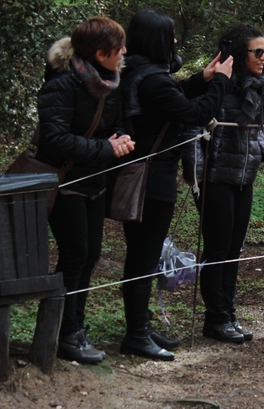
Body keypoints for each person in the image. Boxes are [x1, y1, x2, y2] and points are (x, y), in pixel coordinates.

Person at [118, 9, 233, 360]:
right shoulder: (153, 80)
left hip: (148, 173)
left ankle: (141, 325)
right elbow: (194, 114)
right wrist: (222, 83)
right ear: (156, 41)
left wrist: (203, 77)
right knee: (143, 256)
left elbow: (175, 97)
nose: (175, 41)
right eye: (170, 36)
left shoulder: (139, 74)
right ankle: (136, 333)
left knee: (143, 254)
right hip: (153, 179)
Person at [37, 17, 135, 364]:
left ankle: (74, 327)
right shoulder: (62, 85)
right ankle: (63, 333)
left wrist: (121, 139)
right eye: (119, 47)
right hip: (64, 184)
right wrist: (104, 148)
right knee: (75, 255)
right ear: (100, 52)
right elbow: (54, 139)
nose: (124, 52)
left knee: (91, 254)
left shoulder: (112, 81)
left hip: (94, 182)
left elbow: (119, 122)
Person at [181, 25, 264, 343]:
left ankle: (228, 313)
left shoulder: (257, 86)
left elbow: (255, 130)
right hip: (215, 178)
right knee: (217, 249)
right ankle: (215, 318)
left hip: (244, 177)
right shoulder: (217, 86)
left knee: (233, 249)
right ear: (239, 55)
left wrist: (260, 151)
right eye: (257, 52)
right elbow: (192, 127)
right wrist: (196, 175)